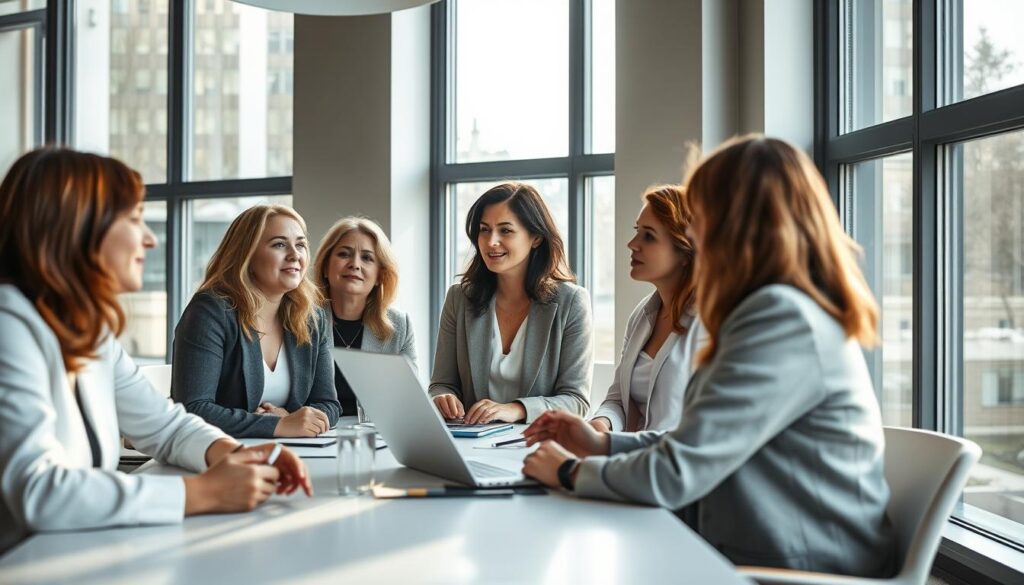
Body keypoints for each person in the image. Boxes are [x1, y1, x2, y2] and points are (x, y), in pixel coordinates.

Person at [522, 136, 896, 577]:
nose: (695, 233)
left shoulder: (780, 318)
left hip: (805, 567)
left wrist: (570, 473)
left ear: (739, 221)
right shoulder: (770, 308)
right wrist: (601, 443)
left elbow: (677, 470)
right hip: (757, 548)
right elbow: (694, 440)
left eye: (703, 215)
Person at [0, 148, 311, 555]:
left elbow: (166, 426)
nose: (148, 237)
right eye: (132, 220)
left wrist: (237, 454)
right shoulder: (9, 326)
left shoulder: (88, 333)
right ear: (75, 228)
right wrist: (198, 494)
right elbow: (38, 491)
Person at [430, 182, 593, 424]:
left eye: (505, 231)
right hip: (469, 443)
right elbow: (442, 384)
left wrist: (516, 409)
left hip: (537, 446)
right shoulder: (459, 298)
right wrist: (442, 397)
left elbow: (576, 401)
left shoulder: (572, 302)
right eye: (484, 230)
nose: (491, 241)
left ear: (536, 237)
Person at [172, 204, 340, 438]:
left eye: (300, 244)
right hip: (218, 457)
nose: (295, 254)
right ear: (247, 255)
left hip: (293, 453)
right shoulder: (211, 311)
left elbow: (328, 404)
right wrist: (277, 426)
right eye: (279, 244)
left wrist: (292, 418)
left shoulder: (313, 317)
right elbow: (193, 409)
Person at [590, 185, 706, 433]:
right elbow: (618, 399)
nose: (632, 244)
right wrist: (600, 425)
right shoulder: (642, 314)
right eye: (637, 231)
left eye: (649, 236)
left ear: (685, 250)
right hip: (633, 459)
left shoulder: (709, 323)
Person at [313, 216, 417, 416]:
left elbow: (410, 402)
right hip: (312, 435)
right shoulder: (301, 320)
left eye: (367, 258)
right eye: (344, 254)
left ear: (380, 275)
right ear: (325, 267)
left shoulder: (399, 325)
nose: (355, 264)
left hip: (375, 436)